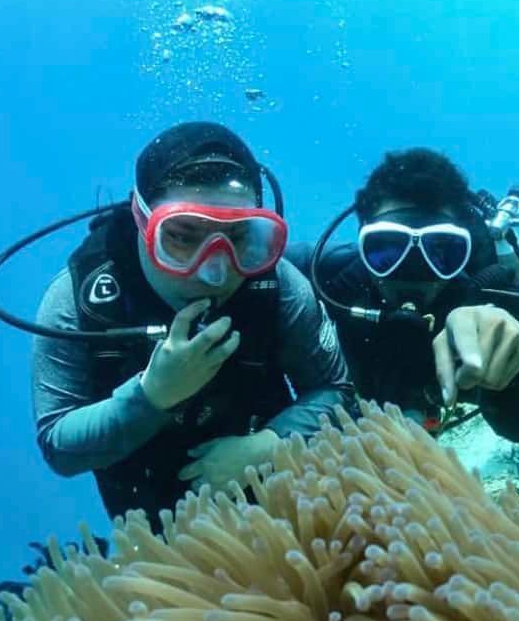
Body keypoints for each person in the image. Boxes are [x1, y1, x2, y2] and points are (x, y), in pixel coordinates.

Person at [31, 121, 354, 530]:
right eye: (183, 237)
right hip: (162, 546)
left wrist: (269, 445)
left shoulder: (278, 286)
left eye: (237, 237)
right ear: (141, 221)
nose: (214, 272)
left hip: (290, 516)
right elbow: (59, 447)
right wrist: (152, 396)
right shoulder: (81, 301)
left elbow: (337, 389)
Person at [288, 148, 519, 441]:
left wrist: (511, 363)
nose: (413, 271)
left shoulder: (480, 299)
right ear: (362, 241)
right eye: (388, 249)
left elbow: (517, 426)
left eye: (440, 251)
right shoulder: (329, 278)